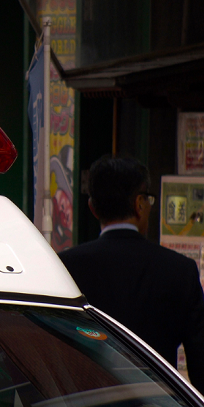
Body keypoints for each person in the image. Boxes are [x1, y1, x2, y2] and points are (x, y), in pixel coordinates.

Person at [59, 155, 204, 391]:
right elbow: (200, 365)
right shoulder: (180, 270)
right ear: (139, 204)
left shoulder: (66, 267)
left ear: (93, 208)